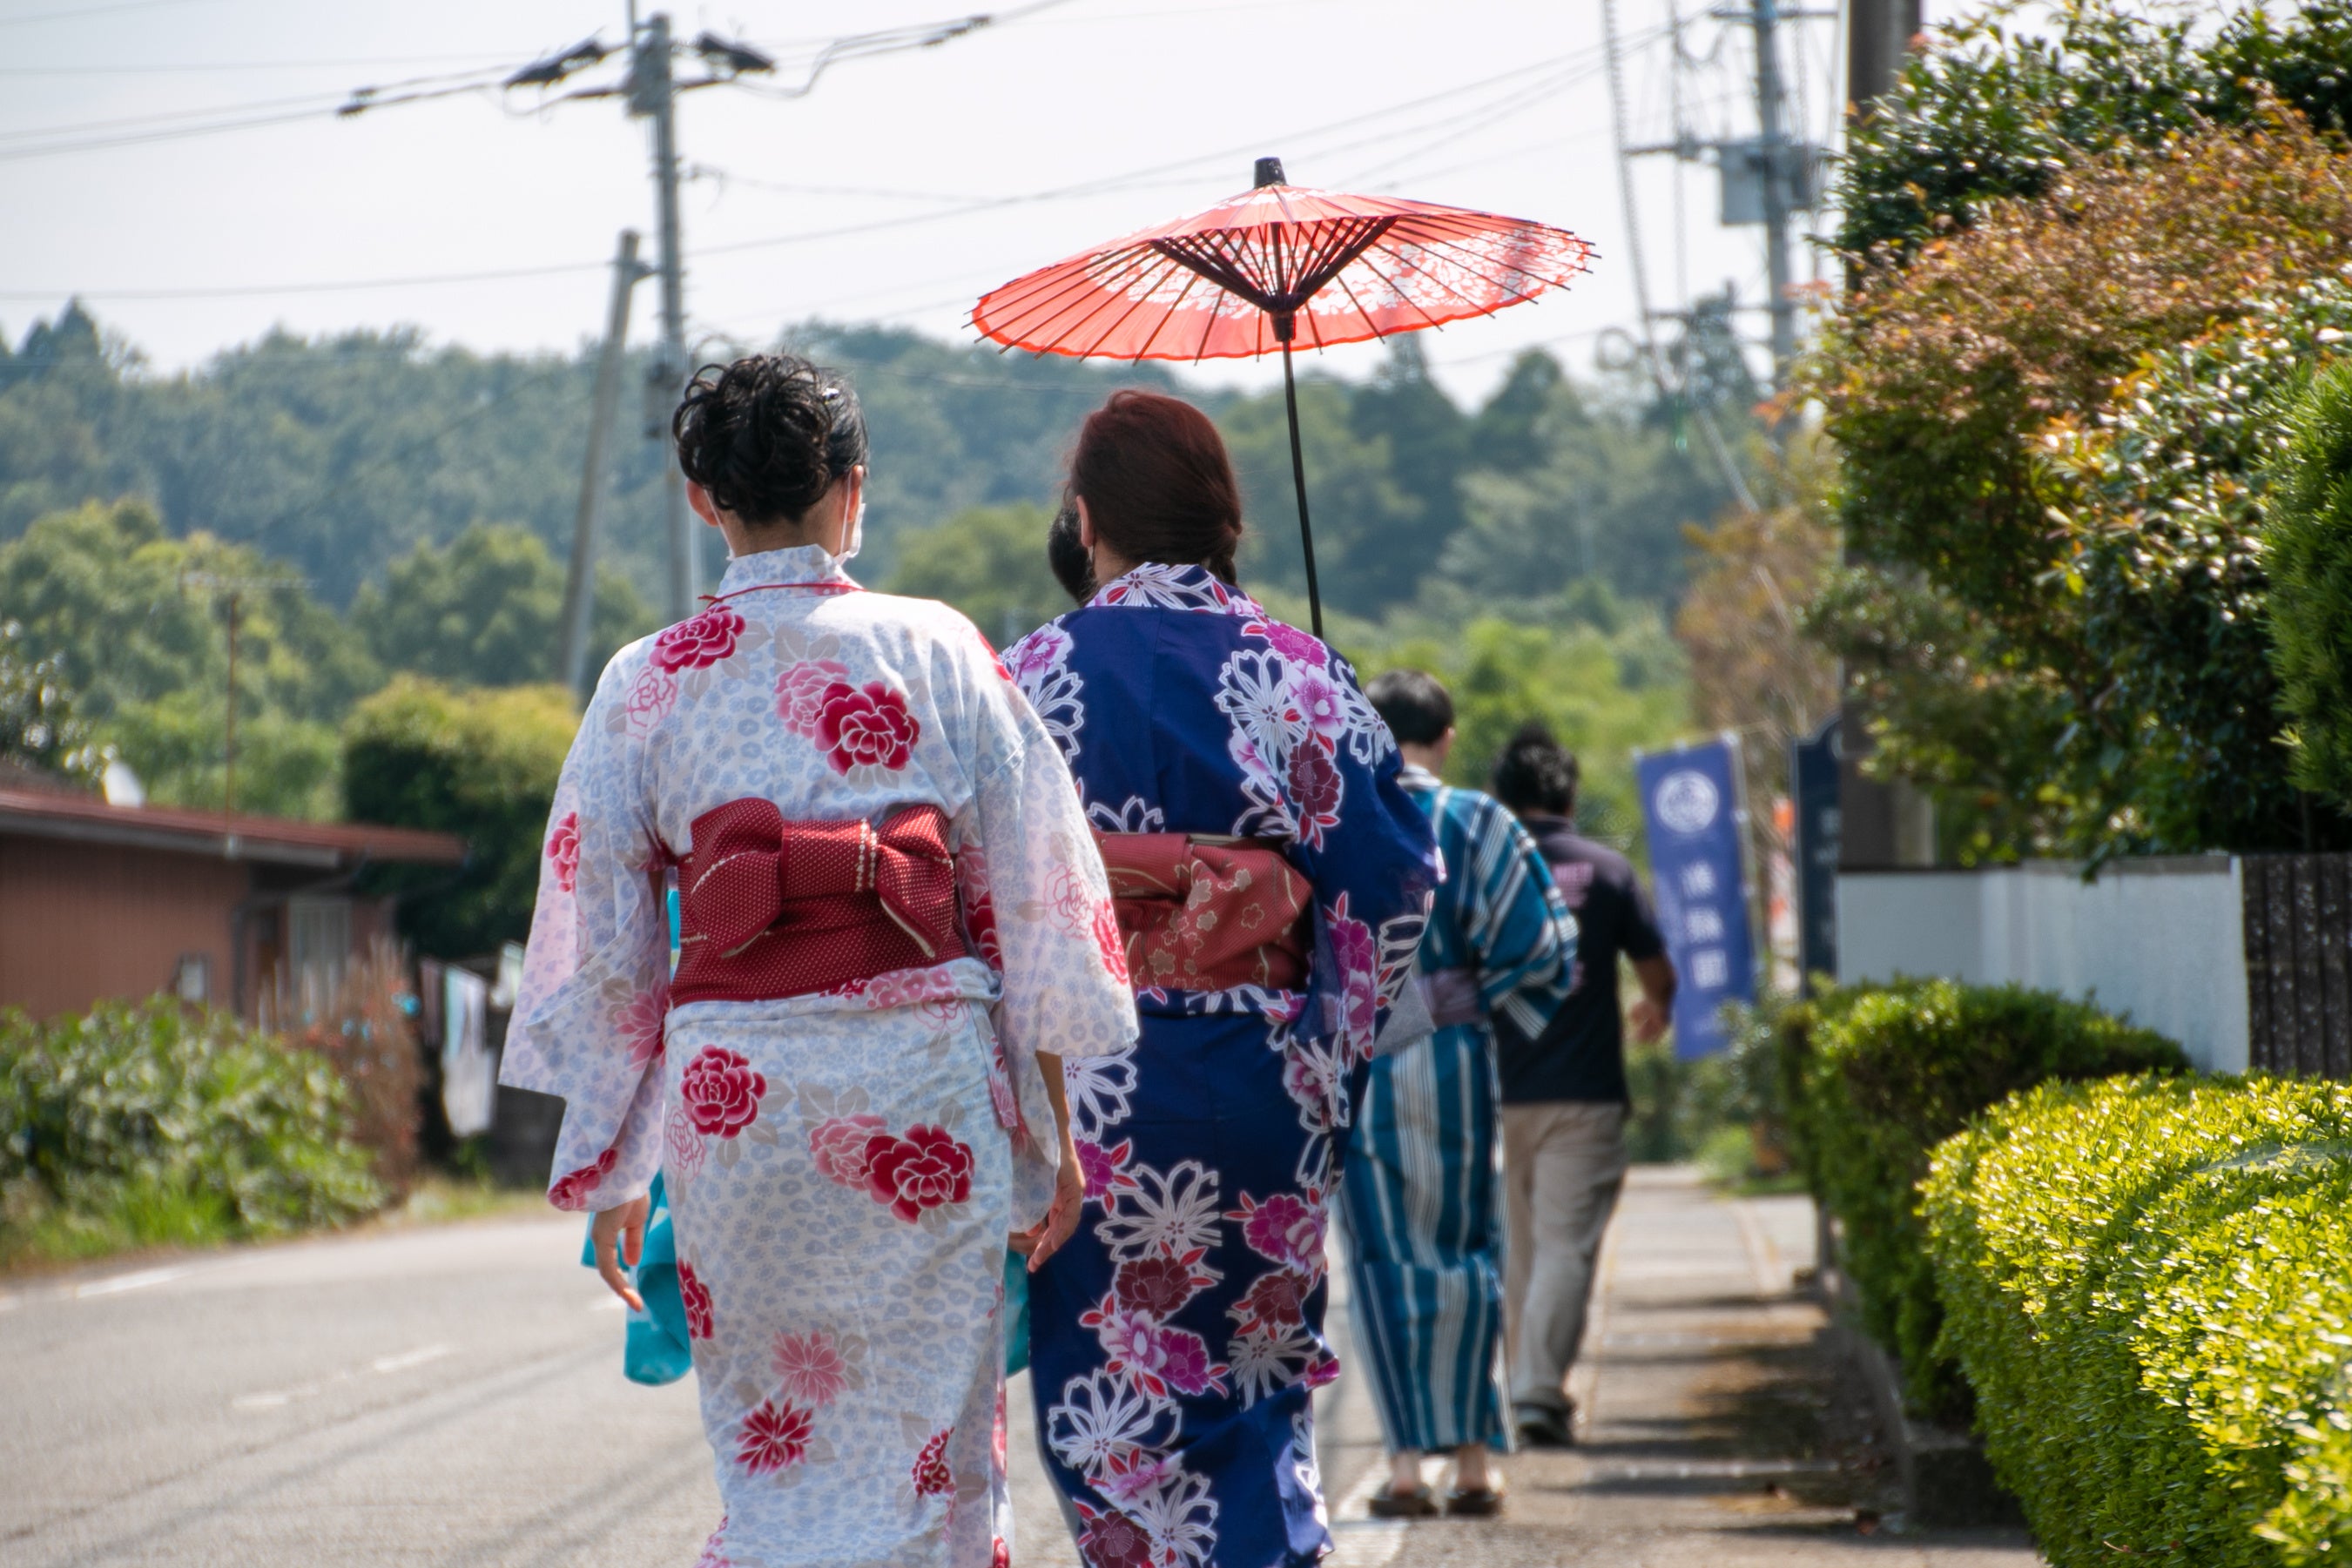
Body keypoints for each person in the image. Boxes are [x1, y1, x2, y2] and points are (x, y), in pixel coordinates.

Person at [500, 353, 1138, 1568]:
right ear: (854, 489)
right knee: (931, 1450)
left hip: (737, 1101)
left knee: (775, 1443)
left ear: (705, 500)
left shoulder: (645, 683)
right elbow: (1029, 907)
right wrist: (1050, 1140)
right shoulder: (940, 647)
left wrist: (619, 1163)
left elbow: (613, 954)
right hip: (922, 1089)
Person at [1006, 390, 1438, 1568]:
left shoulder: (1023, 681)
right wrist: (1322, 1042)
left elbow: (975, 895)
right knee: (1256, 1399)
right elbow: (1397, 878)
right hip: (1263, 1084)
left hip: (1087, 1096)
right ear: (1223, 519)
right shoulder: (1295, 673)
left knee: (1113, 1406)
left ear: (1085, 521)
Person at [1338, 671, 1576, 1518]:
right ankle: (1474, 1460)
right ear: (1445, 738)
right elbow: (1547, 944)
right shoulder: (1480, 820)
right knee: (1468, 1250)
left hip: (1359, 1062)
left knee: (1377, 1259)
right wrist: (1469, 989)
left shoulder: (1335, 810)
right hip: (1455, 1063)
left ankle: (1404, 1467)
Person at [1487, 722, 1675, 1450]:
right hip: (1584, 1090)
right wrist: (1656, 1005)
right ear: (1568, 793)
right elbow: (1655, 967)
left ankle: (1520, 1388)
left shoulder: (1484, 867)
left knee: (1518, 1250)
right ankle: (1536, 1391)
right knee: (1564, 1246)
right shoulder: (1606, 870)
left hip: (1493, 1088)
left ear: (1502, 795)